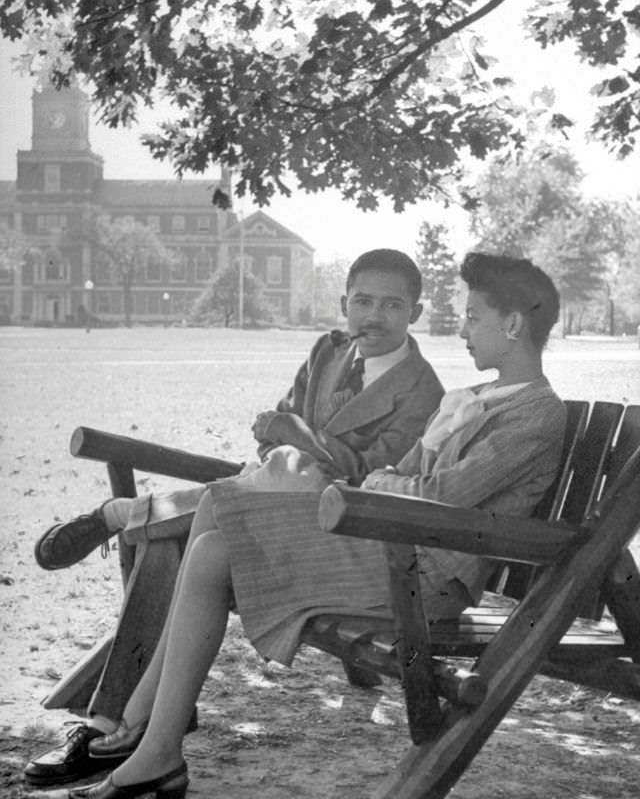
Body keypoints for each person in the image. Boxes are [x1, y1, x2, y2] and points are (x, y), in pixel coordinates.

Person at [61, 252, 566, 799]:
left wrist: (378, 486)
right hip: (394, 548)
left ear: (513, 324)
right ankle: (146, 730)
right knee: (220, 508)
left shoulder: (535, 412)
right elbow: (402, 473)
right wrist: (384, 482)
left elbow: (437, 495)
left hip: (427, 575)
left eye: (473, 316)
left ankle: (153, 746)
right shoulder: (478, 398)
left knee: (211, 552)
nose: (463, 329)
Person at [25, 248, 445, 786]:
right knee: (177, 545)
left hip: (327, 525)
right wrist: (295, 439)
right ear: (344, 304)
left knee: (186, 534)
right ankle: (126, 725)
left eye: (392, 305)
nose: (375, 316)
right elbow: (273, 422)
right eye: (363, 301)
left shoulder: (423, 390)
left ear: (416, 311)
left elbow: (371, 475)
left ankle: (119, 714)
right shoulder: (329, 350)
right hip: (274, 487)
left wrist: (300, 438)